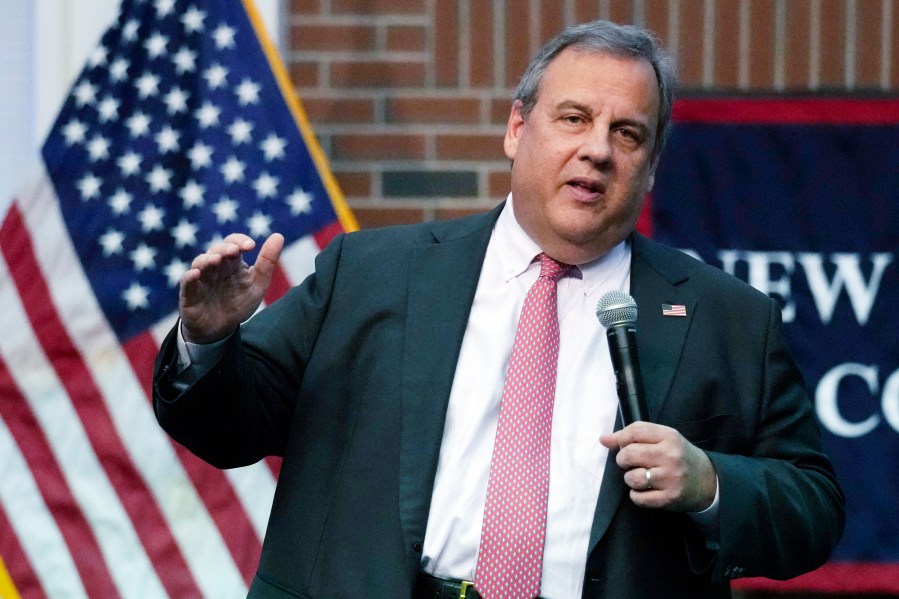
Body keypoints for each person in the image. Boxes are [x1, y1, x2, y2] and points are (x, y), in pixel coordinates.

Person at [153, 19, 844, 599]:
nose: (596, 149)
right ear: (518, 127)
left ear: (651, 164)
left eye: (627, 134)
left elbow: (811, 507)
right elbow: (230, 429)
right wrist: (209, 339)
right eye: (573, 118)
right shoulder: (370, 273)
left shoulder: (729, 320)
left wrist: (710, 481)